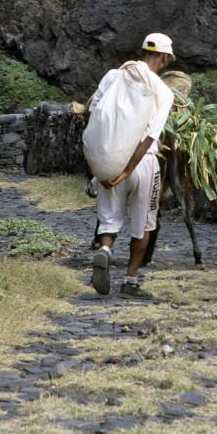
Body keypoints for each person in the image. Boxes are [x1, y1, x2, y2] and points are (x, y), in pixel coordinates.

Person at [88, 33, 176, 299]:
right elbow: (150, 137)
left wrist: (100, 167)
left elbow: (94, 118)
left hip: (108, 159)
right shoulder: (163, 91)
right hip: (143, 163)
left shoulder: (112, 76)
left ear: (142, 52)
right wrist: (128, 169)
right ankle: (130, 281)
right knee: (144, 224)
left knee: (109, 219)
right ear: (164, 58)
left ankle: (105, 250)